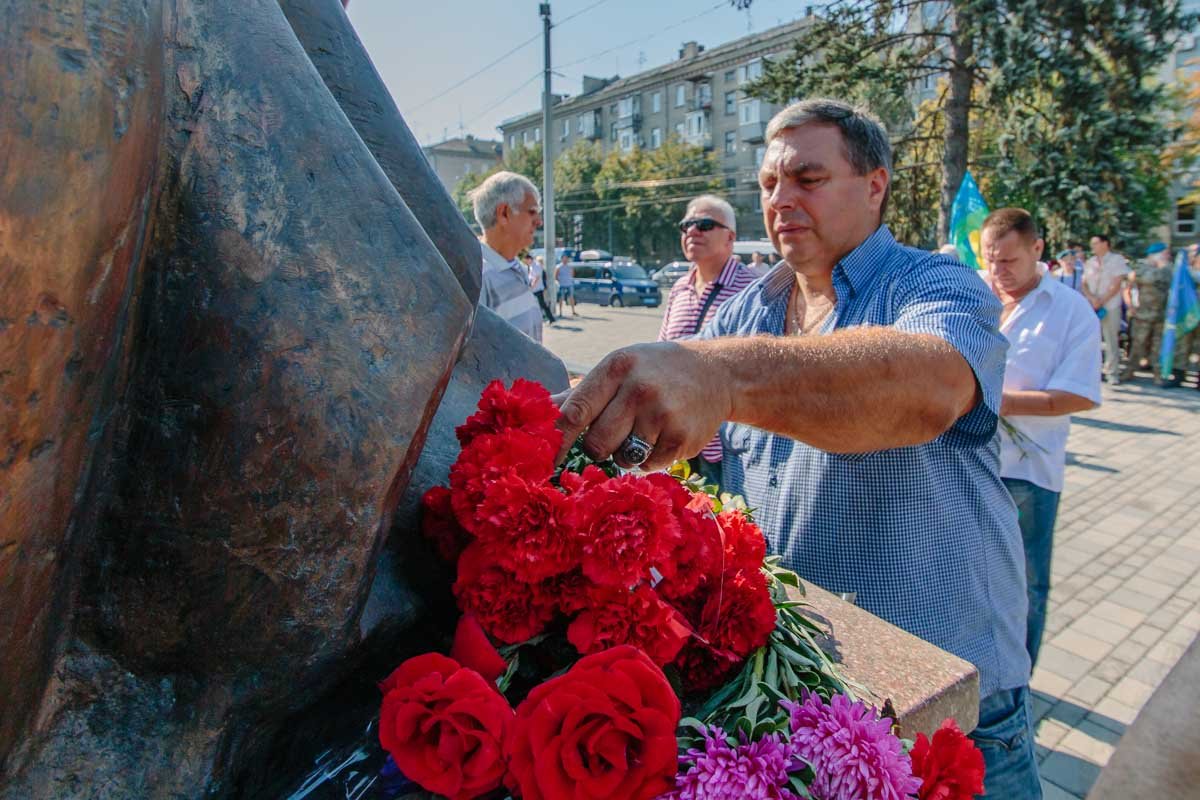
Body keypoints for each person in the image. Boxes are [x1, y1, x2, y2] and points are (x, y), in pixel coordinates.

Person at [555, 98, 1039, 798]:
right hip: (814, 700)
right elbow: (685, 441)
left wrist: (720, 375)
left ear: (875, 185)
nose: (780, 200)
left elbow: (930, 385)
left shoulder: (935, 283)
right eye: (768, 183)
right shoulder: (744, 312)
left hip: (955, 714)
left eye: (807, 179)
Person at [980, 208, 1101, 669]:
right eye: (991, 260)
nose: (998, 271)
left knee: (1026, 581)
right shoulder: (976, 295)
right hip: (971, 460)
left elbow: (1077, 395)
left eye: (1008, 261)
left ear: (1037, 250)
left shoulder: (1069, 310)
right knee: (969, 571)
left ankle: (1018, 676)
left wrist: (990, 399)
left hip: (1027, 470)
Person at [657, 194, 758, 487]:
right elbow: (661, 356)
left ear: (730, 238)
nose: (692, 231)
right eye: (686, 225)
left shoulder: (751, 289)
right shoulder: (679, 288)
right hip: (677, 442)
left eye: (704, 224)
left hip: (727, 449)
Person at [467, 171, 543, 343]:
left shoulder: (517, 268)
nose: (539, 221)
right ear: (504, 214)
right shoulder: (478, 277)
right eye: (532, 211)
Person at [1122, 243, 1175, 385]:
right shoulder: (1141, 268)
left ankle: (1158, 375)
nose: (1167, 256)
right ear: (1154, 254)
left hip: (1161, 315)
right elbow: (1127, 288)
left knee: (1158, 346)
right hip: (1143, 314)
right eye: (1164, 253)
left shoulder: (1169, 269)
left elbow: (1174, 285)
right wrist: (1130, 306)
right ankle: (1129, 371)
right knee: (1138, 345)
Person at [1084, 234, 1130, 384]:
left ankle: (1112, 372)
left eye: (1095, 243)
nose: (1093, 247)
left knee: (1111, 340)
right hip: (1092, 306)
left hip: (1110, 305)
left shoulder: (1117, 260)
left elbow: (1117, 284)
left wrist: (1101, 300)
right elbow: (1084, 283)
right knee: (1091, 340)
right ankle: (1093, 372)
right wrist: (1092, 299)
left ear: (1105, 243)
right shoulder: (1090, 262)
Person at [529, 254, 556, 325]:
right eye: (539, 261)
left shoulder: (539, 268)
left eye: (540, 261)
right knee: (541, 304)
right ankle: (548, 318)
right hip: (539, 288)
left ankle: (549, 317)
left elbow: (541, 279)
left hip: (540, 288)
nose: (539, 262)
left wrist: (533, 286)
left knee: (542, 304)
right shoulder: (534, 267)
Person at [555, 252, 578, 317]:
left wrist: (570, 279)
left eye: (566, 258)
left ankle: (573, 311)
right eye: (564, 258)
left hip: (569, 283)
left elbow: (572, 274)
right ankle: (560, 312)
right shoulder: (558, 267)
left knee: (571, 297)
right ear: (561, 259)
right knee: (561, 298)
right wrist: (559, 281)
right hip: (562, 284)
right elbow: (556, 276)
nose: (565, 260)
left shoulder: (570, 266)